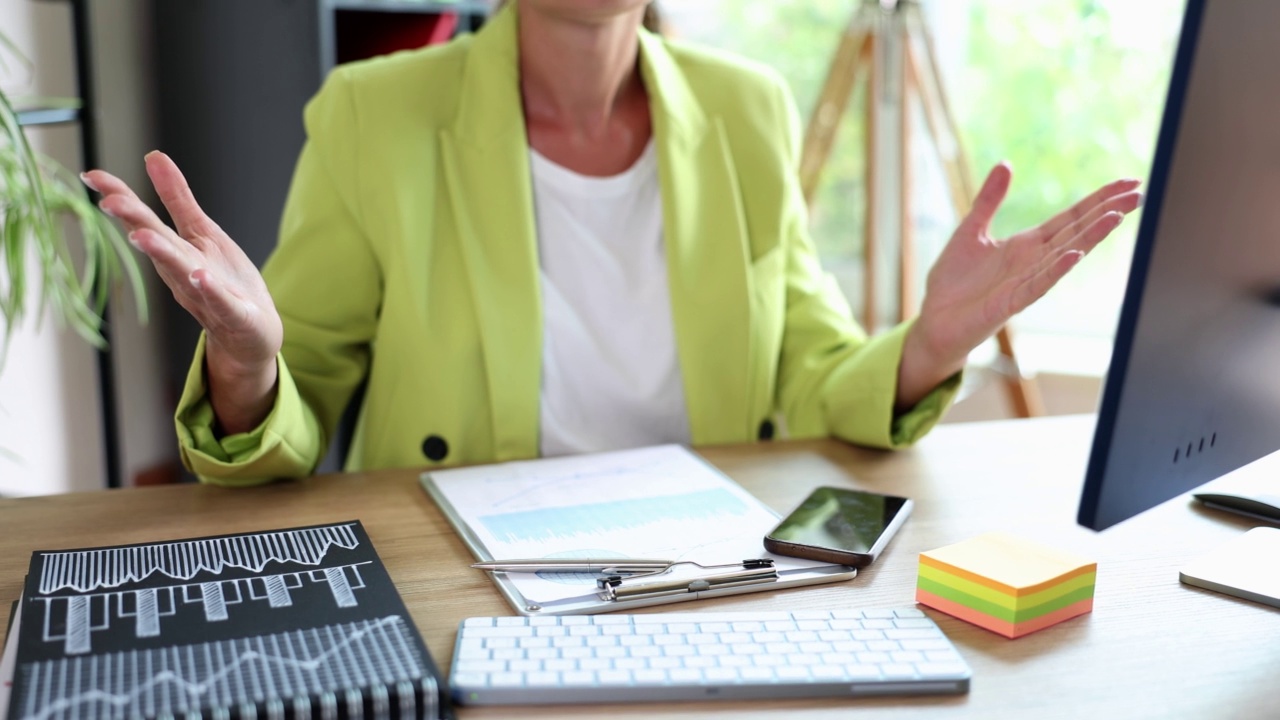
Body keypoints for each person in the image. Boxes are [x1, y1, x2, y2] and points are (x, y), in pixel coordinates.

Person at [83, 0, 1140, 486]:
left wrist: (926, 344)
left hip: (714, 574)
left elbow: (813, 370)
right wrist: (249, 361)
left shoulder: (747, 108)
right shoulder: (376, 115)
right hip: (467, 587)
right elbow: (287, 416)